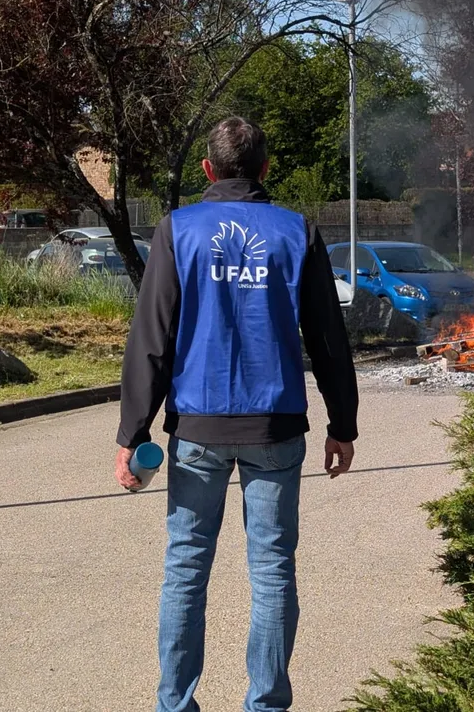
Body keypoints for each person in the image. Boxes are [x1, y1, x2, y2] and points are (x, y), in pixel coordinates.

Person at [113, 117, 358, 712]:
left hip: (197, 428)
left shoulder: (177, 229)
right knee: (272, 573)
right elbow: (327, 335)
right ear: (266, 169)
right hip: (275, 428)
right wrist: (342, 424)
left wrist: (132, 431)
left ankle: (175, 704)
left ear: (207, 170)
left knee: (185, 571)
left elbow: (152, 336)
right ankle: (266, 705)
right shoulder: (296, 231)